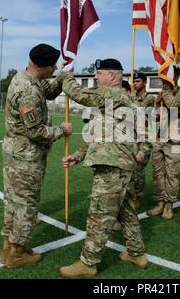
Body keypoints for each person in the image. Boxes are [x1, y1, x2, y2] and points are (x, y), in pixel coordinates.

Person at [59, 58, 150, 278]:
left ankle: (88, 263)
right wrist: (78, 156)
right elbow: (97, 133)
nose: (95, 77)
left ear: (111, 76)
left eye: (98, 74)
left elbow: (79, 94)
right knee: (126, 211)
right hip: (119, 165)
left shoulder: (113, 94)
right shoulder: (112, 102)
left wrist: (65, 76)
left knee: (99, 214)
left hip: (113, 166)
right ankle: (137, 253)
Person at [0, 43, 73, 268]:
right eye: (53, 66)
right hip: (26, 158)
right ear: (42, 67)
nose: (54, 69)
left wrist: (61, 78)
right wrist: (62, 130)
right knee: (26, 204)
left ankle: (8, 247)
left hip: (15, 153)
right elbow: (36, 132)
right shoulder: (28, 91)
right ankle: (17, 254)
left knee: (13, 201)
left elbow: (48, 91)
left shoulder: (24, 78)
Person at [147, 66, 180, 220]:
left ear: (176, 76)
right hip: (160, 138)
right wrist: (156, 104)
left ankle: (168, 205)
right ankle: (160, 202)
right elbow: (155, 118)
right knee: (158, 174)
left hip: (175, 140)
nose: (164, 81)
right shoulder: (162, 94)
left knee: (172, 175)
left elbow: (173, 105)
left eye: (167, 77)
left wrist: (165, 89)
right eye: (163, 78)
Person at [130, 72, 155, 210]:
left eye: (138, 81)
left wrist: (145, 148)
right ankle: (130, 196)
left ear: (144, 82)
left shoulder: (149, 98)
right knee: (130, 170)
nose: (135, 83)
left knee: (138, 171)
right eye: (134, 81)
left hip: (143, 139)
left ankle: (137, 197)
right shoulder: (130, 97)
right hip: (130, 138)